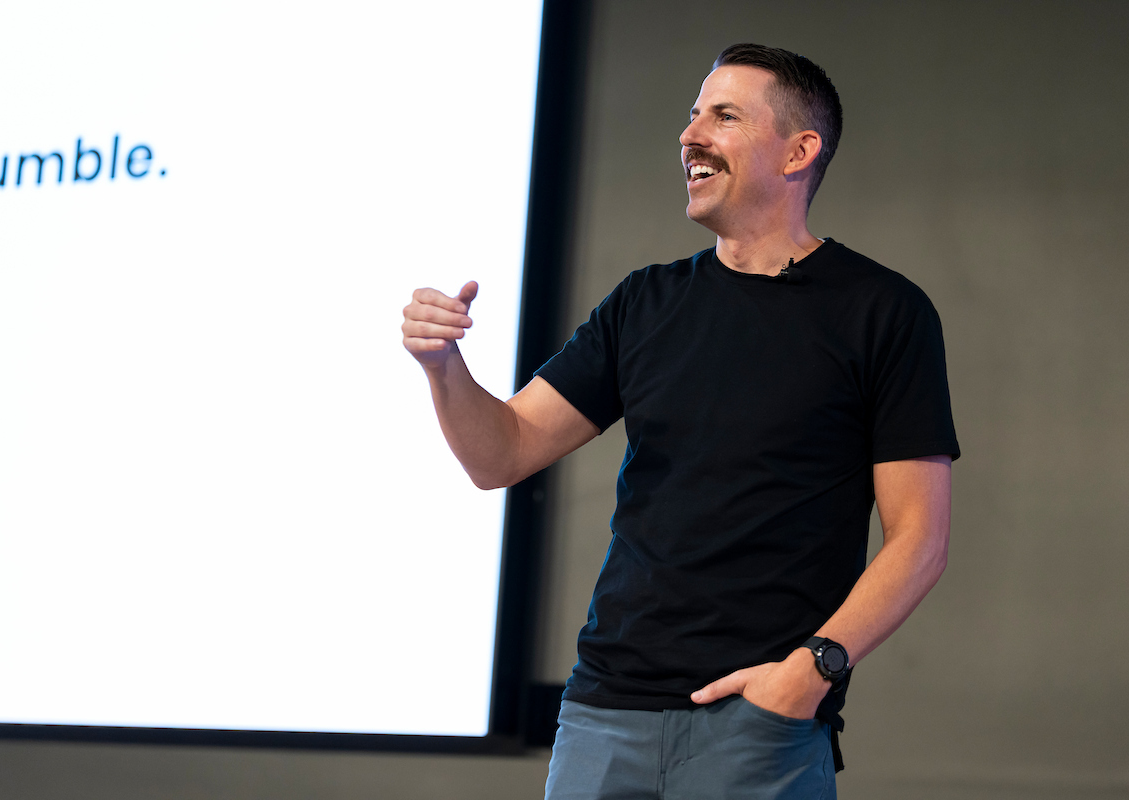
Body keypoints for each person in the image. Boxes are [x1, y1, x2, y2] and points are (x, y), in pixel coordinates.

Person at [402, 43, 958, 800]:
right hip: (603, 716)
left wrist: (813, 671)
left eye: (723, 116)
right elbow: (499, 454)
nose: (690, 135)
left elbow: (920, 540)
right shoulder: (645, 302)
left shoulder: (882, 312)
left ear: (799, 151)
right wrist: (444, 368)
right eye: (692, 115)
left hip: (760, 722)